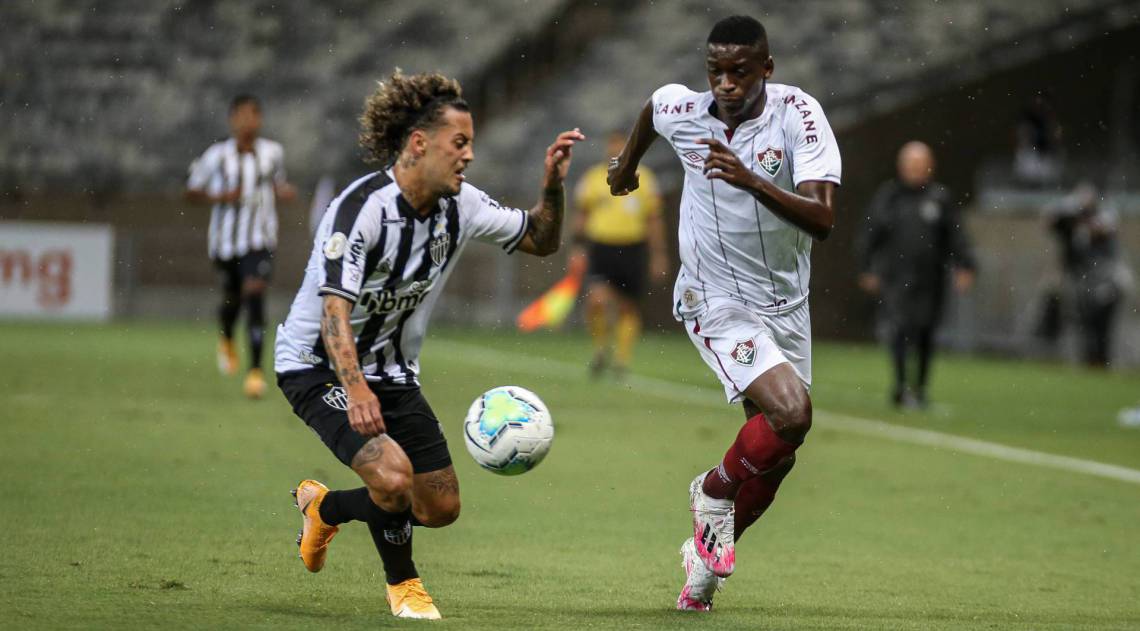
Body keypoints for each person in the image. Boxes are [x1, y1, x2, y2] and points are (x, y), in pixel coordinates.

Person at [274, 69, 582, 620]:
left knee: (439, 507)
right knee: (392, 477)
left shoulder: (462, 205)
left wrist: (553, 186)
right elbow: (333, 310)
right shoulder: (361, 209)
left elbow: (541, 239)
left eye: (471, 144)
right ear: (419, 143)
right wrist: (356, 389)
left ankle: (324, 508)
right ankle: (405, 587)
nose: (469, 156)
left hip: (394, 373)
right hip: (318, 367)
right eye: (458, 143)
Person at [608, 16, 840, 611]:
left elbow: (822, 218)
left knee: (779, 453)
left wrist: (751, 179)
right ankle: (713, 490)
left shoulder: (798, 115)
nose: (726, 84)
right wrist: (626, 167)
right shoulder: (685, 111)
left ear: (767, 68)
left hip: (785, 301)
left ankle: (701, 567)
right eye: (716, 71)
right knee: (792, 412)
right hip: (713, 296)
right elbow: (653, 110)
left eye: (740, 71)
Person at [186, 94, 296, 398]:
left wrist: (283, 192)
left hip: (260, 239)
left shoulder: (272, 152)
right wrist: (221, 197)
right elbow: (191, 192)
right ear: (232, 119)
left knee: (255, 291)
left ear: (259, 120)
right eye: (242, 115)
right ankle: (227, 337)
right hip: (225, 243)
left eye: (253, 115)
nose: (248, 121)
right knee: (232, 299)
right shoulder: (216, 156)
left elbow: (277, 183)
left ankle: (255, 372)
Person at [858, 141, 975, 408]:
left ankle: (920, 388)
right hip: (896, 278)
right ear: (901, 166)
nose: (915, 169)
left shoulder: (940, 198)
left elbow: (956, 236)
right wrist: (866, 268)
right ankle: (900, 386)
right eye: (911, 164)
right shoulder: (888, 197)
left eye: (920, 164)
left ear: (930, 166)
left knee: (926, 332)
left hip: (931, 279)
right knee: (898, 329)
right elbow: (869, 233)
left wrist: (965, 265)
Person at [569, 131, 668, 379]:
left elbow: (654, 219)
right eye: (612, 145)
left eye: (621, 146)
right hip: (602, 247)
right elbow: (581, 215)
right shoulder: (593, 178)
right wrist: (577, 247)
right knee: (596, 301)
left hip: (633, 247)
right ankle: (601, 348)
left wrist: (658, 254)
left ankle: (621, 361)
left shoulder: (645, 179)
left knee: (627, 306)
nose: (615, 150)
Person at [1046, 181, 1129, 367]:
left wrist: (1083, 220)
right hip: (1081, 281)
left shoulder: (1102, 216)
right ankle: (1087, 360)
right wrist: (1070, 213)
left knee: (1102, 324)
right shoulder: (1071, 223)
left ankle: (1103, 360)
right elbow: (1050, 221)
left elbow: (1102, 228)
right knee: (1082, 322)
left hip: (1106, 281)